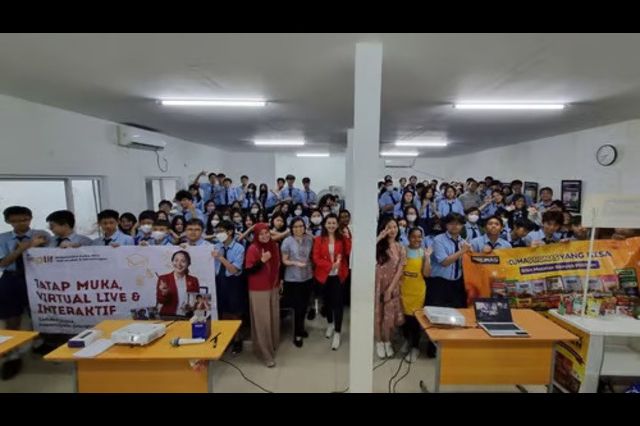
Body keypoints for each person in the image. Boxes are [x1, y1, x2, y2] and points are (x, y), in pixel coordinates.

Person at [0, 206, 49, 379]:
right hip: (11, 279)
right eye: (15, 221)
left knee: (38, 312)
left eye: (24, 219)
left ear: (30, 218)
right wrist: (23, 248)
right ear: (8, 222)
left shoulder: (42, 234)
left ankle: (39, 343)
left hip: (36, 277)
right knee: (12, 318)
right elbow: (3, 263)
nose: (20, 223)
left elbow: (52, 257)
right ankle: (12, 354)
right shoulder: (2, 238)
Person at [312, 213, 351, 350]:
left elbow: (348, 251)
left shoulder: (341, 238)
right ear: (324, 224)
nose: (331, 225)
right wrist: (330, 266)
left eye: (334, 223)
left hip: (339, 275)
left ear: (337, 224)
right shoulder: (318, 239)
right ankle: (330, 324)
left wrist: (347, 236)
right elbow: (316, 259)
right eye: (329, 223)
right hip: (324, 275)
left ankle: (338, 332)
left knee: (338, 304)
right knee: (327, 302)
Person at [245, 223, 282, 367]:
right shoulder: (253, 248)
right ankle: (264, 353)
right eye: (261, 234)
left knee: (273, 318)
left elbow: (278, 265)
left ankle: (272, 346)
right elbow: (248, 271)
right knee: (262, 321)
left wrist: (280, 281)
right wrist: (262, 261)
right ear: (256, 236)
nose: (265, 236)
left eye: (267, 232)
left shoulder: (275, 246)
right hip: (258, 289)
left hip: (273, 286)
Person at [373, 217, 406, 359]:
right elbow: (364, 255)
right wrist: (379, 237)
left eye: (394, 227)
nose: (392, 230)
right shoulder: (378, 246)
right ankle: (379, 342)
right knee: (378, 314)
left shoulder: (400, 247)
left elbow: (400, 269)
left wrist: (390, 289)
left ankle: (387, 341)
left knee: (389, 315)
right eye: (389, 227)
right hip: (377, 285)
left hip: (392, 285)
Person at [212, 220, 246, 354]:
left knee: (235, 313)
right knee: (223, 312)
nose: (218, 234)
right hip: (218, 282)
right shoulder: (215, 246)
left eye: (220, 231)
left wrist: (220, 258)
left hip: (233, 283)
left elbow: (233, 270)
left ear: (230, 232)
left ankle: (238, 340)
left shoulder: (239, 248)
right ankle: (227, 339)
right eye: (216, 231)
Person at [281, 217, 314, 348]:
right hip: (293, 278)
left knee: (305, 306)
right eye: (295, 227)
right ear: (291, 228)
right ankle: (297, 334)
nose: (298, 229)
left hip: (307, 276)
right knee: (298, 307)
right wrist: (295, 263)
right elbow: (284, 260)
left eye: (301, 226)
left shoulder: (309, 239)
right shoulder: (287, 241)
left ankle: (301, 328)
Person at [400, 227, 432, 363]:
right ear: (408, 237)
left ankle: (415, 348)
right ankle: (407, 340)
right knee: (404, 320)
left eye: (419, 237)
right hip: (403, 290)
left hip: (417, 291)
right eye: (413, 236)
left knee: (415, 321)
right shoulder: (403, 251)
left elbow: (426, 274)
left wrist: (428, 258)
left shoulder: (423, 253)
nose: (416, 239)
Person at [428, 213, 471, 312]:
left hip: (457, 283)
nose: (455, 226)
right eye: (451, 223)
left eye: (458, 224)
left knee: (457, 312)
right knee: (438, 314)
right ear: (446, 225)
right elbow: (444, 262)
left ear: (462, 226)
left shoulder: (463, 242)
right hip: (439, 283)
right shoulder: (439, 240)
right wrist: (462, 251)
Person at [156, 250, 200, 317]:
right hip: (168, 316)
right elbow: (160, 301)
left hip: (188, 317)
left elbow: (196, 301)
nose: (179, 264)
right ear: (172, 262)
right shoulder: (163, 279)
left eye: (183, 261)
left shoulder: (194, 280)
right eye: (176, 260)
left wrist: (191, 307)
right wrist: (164, 293)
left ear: (188, 264)